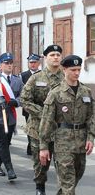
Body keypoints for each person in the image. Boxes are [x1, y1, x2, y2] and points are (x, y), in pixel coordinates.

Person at [39, 55, 95, 195]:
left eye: (78, 69)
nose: (76, 73)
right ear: (65, 69)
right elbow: (47, 120)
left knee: (75, 176)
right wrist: (44, 147)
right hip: (63, 144)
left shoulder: (86, 92)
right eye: (73, 70)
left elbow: (91, 117)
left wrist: (91, 137)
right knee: (68, 184)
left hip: (81, 142)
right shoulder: (56, 93)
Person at [20, 45, 64, 195]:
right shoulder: (36, 78)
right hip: (38, 128)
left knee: (63, 164)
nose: (56, 57)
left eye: (58, 54)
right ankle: (40, 188)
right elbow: (25, 100)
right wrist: (45, 113)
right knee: (41, 164)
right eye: (52, 54)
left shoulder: (66, 77)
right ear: (46, 58)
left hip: (61, 130)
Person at [0, 52, 23, 181]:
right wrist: (1, 98)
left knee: (6, 143)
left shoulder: (17, 80)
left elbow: (22, 95)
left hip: (11, 116)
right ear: (0, 65)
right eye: (6, 63)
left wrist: (17, 102)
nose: (9, 65)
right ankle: (9, 169)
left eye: (10, 63)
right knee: (2, 142)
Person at [20, 53, 41, 156]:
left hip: (40, 107)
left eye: (35, 62)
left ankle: (39, 146)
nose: (33, 64)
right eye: (31, 62)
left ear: (39, 63)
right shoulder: (23, 75)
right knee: (30, 127)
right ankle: (30, 145)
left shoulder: (43, 74)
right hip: (28, 107)